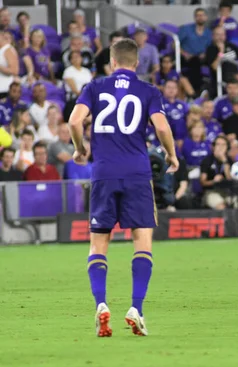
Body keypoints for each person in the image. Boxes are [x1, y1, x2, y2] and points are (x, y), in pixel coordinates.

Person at [67, 38, 178, 337]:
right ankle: (136, 308)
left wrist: (80, 150)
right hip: (137, 174)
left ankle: (101, 304)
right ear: (136, 63)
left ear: (112, 62)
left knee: (98, 244)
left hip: (103, 174)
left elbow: (75, 121)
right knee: (142, 241)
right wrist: (171, 154)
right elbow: (163, 127)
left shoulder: (94, 87)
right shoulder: (148, 91)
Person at [200, 134, 238, 210]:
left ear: (227, 148)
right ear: (213, 147)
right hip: (211, 192)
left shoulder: (229, 161)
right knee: (223, 208)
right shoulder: (207, 160)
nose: (220, 147)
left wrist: (224, 162)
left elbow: (230, 179)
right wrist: (214, 181)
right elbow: (202, 182)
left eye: (223, 145)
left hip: (228, 192)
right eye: (218, 144)